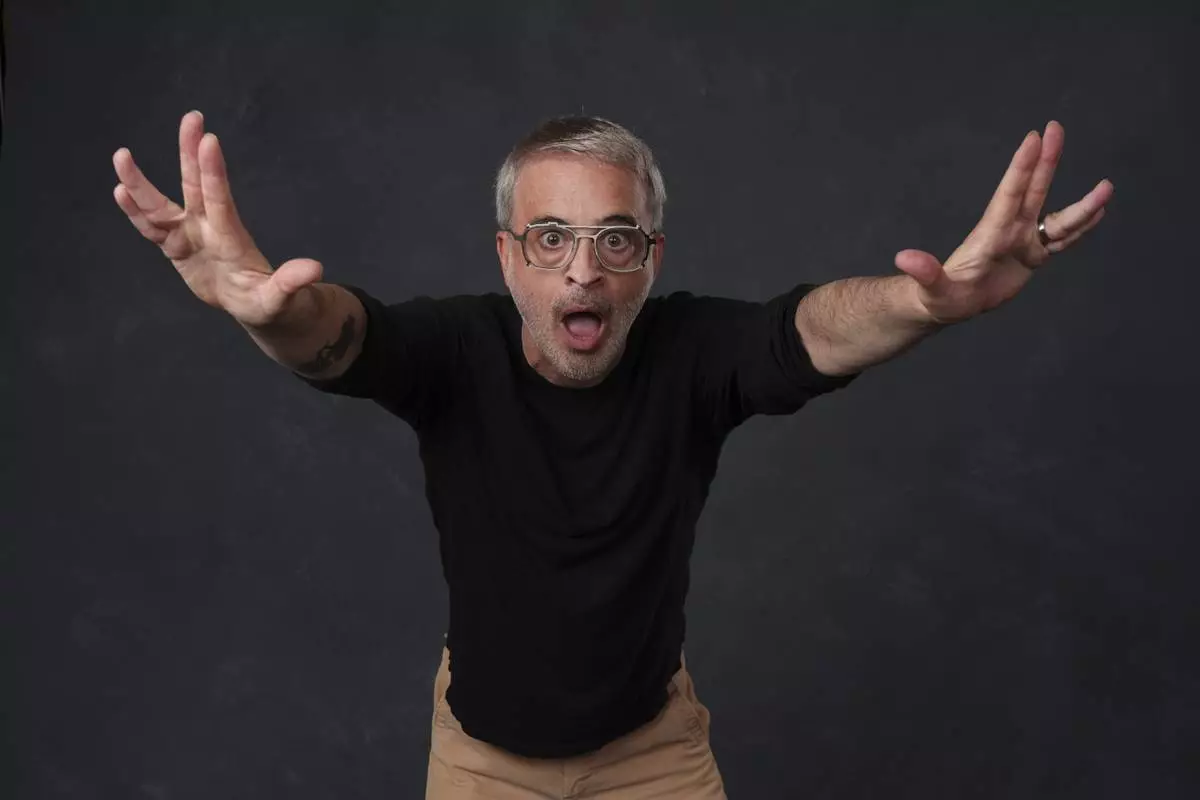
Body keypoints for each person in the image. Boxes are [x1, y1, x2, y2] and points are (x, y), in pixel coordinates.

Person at [112, 111, 1112, 799]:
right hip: (482, 759)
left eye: (615, 238)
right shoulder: (453, 351)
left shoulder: (692, 351)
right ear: (508, 255)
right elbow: (339, 336)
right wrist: (270, 315)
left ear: (652, 259)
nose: (583, 267)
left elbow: (809, 327)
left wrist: (922, 304)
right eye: (549, 237)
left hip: (654, 751)